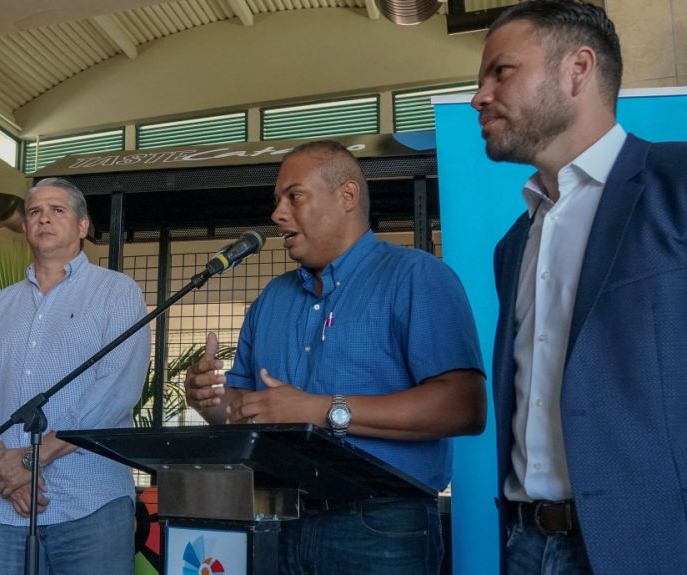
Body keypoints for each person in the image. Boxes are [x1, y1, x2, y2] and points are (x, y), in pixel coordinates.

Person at [184, 140, 486, 575]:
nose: (278, 215)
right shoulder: (272, 299)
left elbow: (464, 406)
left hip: (380, 525)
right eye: (277, 201)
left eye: (295, 196)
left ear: (347, 196)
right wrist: (210, 400)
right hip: (277, 519)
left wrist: (320, 410)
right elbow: (244, 408)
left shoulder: (417, 276)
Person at [472, 1, 687, 573]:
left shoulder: (676, 184)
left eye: (501, 71)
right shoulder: (512, 245)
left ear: (578, 70)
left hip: (650, 545)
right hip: (524, 544)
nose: (479, 96)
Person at [0, 177, 151, 575]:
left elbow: (116, 391)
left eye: (57, 210)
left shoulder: (117, 293)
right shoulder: (0, 305)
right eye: (34, 212)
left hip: (89, 504)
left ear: (82, 227)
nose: (43, 218)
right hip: (7, 508)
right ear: (26, 228)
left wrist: (31, 459)